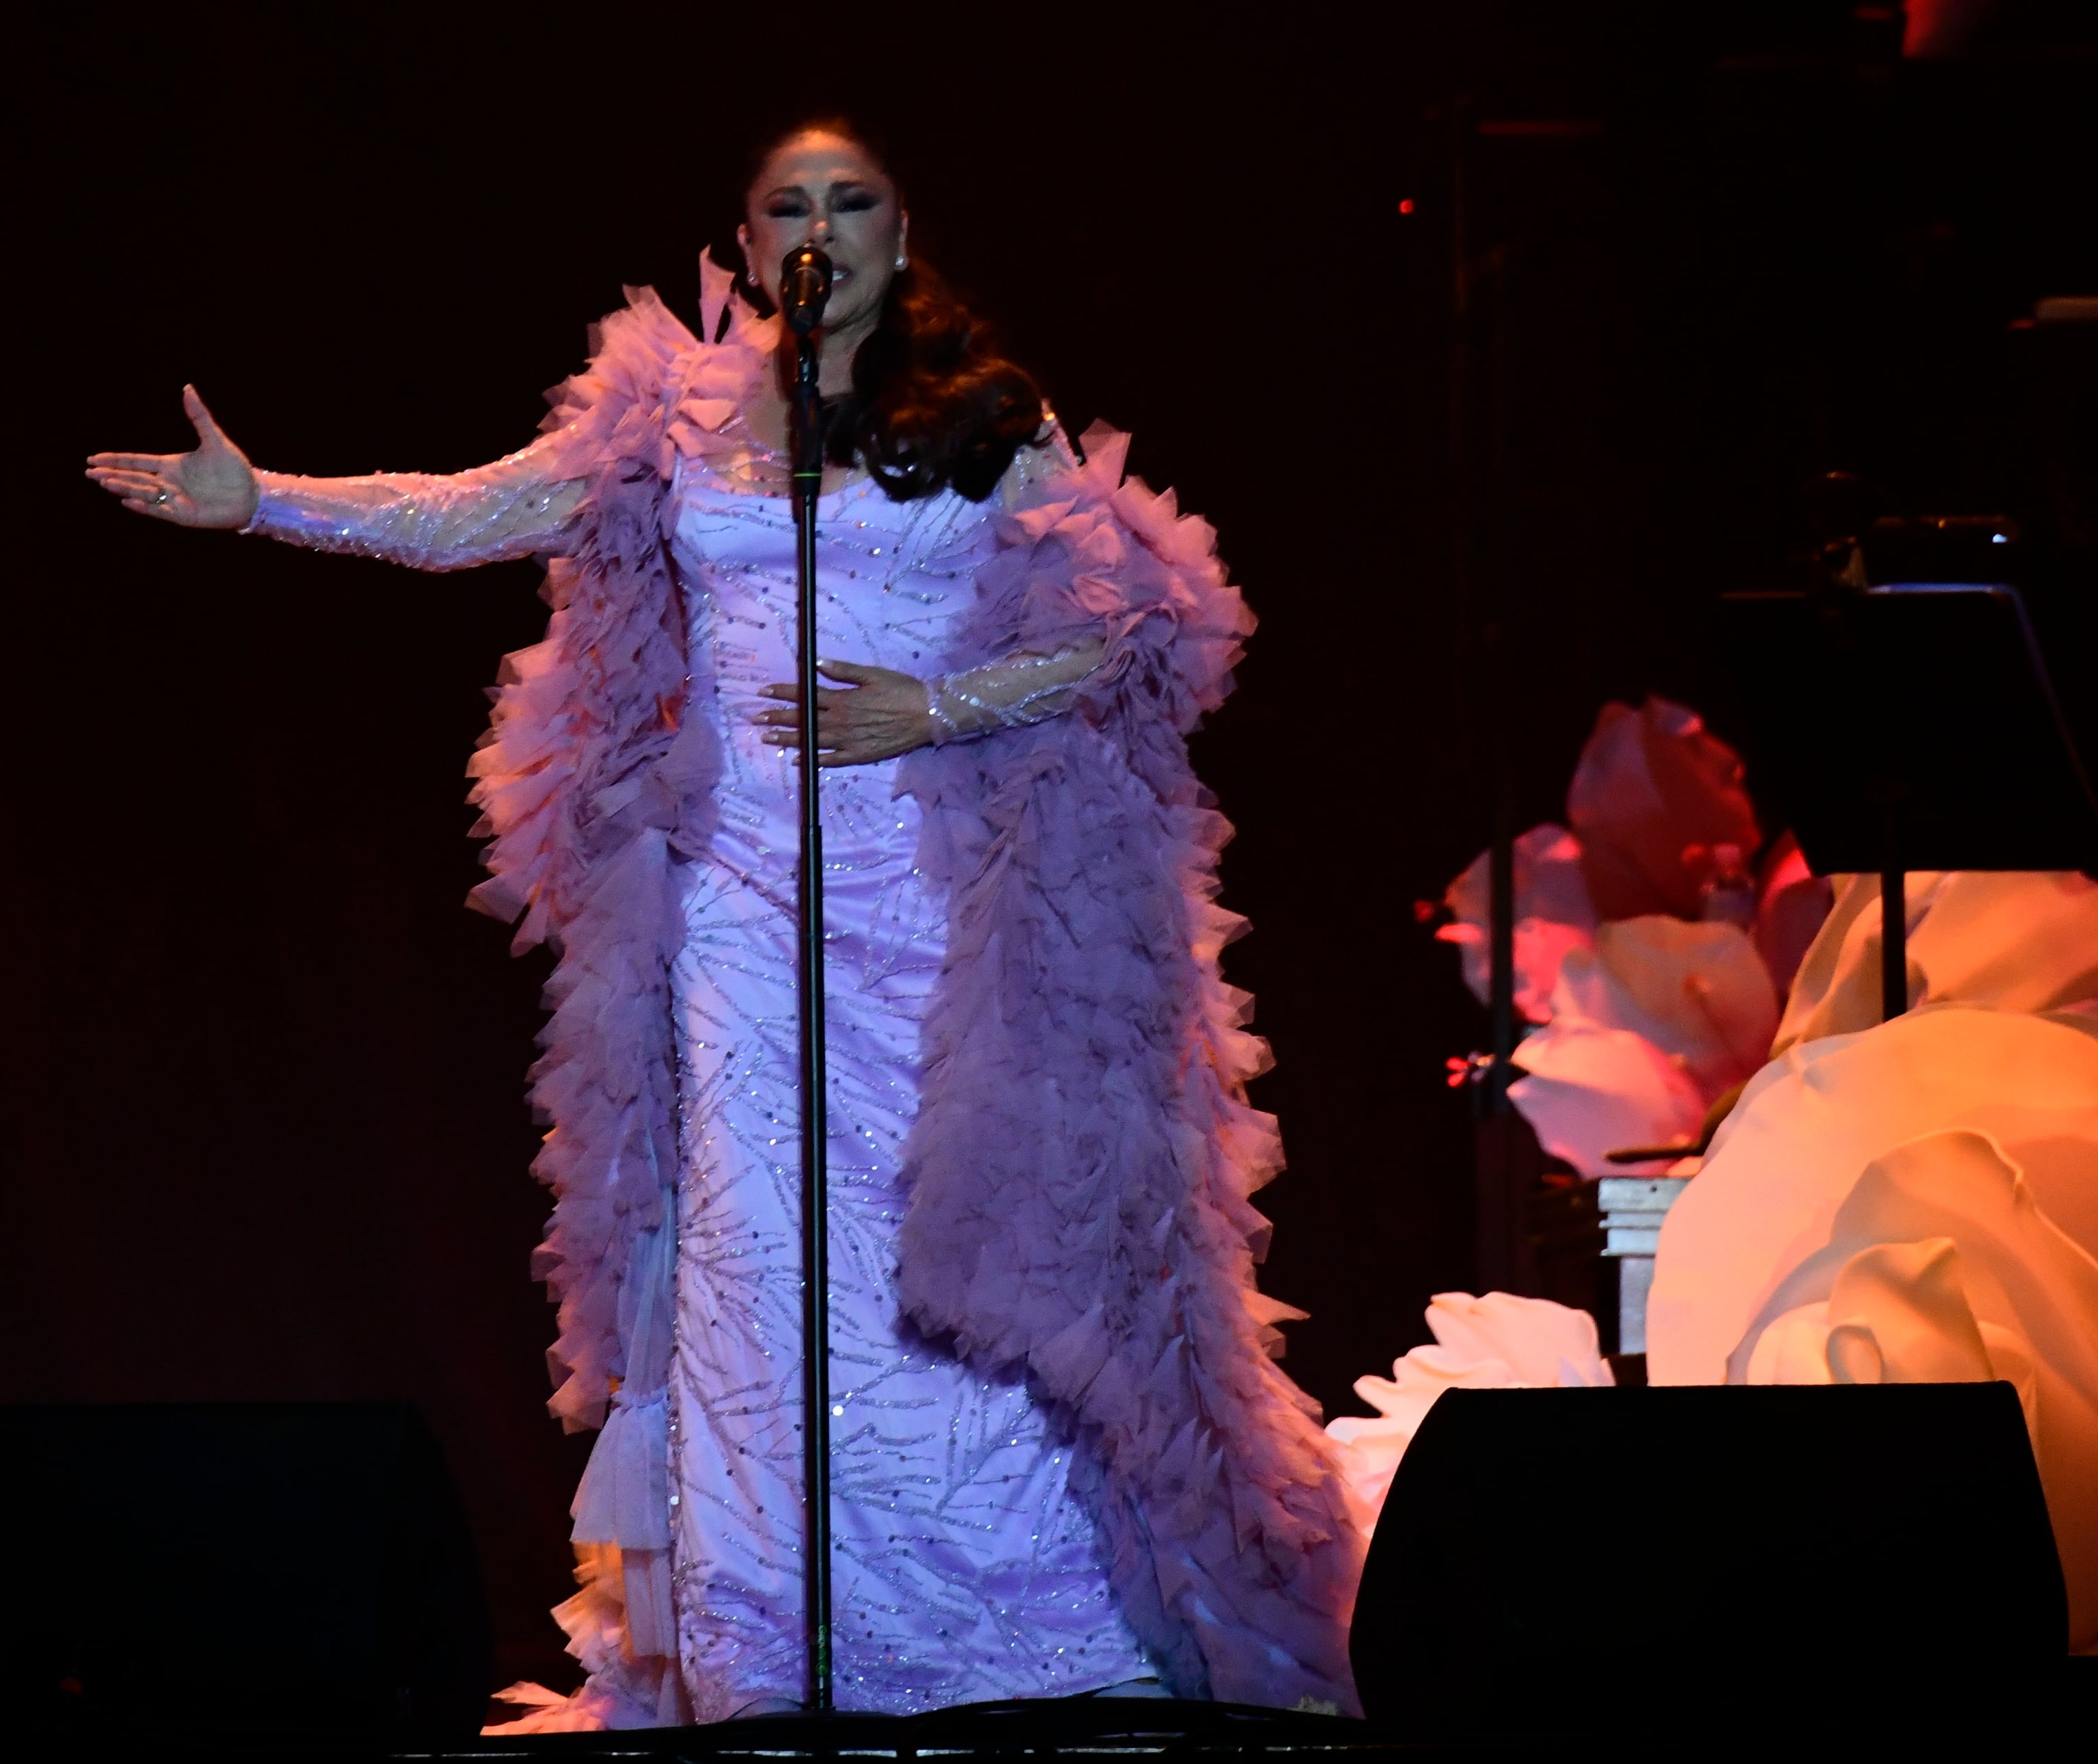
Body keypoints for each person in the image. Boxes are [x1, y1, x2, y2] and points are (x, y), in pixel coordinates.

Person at [86, 121, 1358, 1726]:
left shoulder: (982, 415)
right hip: (743, 910)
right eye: (787, 206)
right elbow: (474, 511)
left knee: (962, 1238)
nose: (819, 227)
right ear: (747, 244)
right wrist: (265, 498)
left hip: (936, 909)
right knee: (759, 1262)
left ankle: (1028, 1645)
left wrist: (936, 701)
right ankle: (773, 1650)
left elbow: (1136, 628)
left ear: (901, 232)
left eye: (852, 201)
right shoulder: (670, 418)